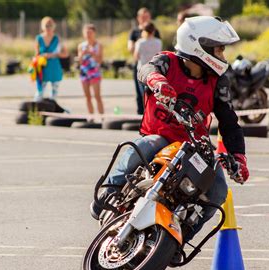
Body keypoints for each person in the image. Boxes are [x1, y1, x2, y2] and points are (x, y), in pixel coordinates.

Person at [91, 16, 249, 244]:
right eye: (219, 49)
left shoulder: (218, 81)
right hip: (160, 139)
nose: (223, 56)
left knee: (218, 189)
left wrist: (239, 158)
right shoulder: (168, 61)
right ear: (199, 46)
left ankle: (181, 238)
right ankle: (109, 190)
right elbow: (146, 70)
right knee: (145, 145)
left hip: (193, 148)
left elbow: (229, 123)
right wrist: (157, 81)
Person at [128, 7, 161, 115]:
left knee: (149, 92)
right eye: (143, 17)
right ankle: (141, 113)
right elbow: (130, 47)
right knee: (140, 93)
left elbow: (136, 54)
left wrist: (142, 45)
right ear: (138, 18)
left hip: (146, 66)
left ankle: (150, 114)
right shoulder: (134, 31)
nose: (145, 19)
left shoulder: (155, 32)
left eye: (146, 16)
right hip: (142, 66)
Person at [34, 16, 68, 101]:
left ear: (54, 26)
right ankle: (36, 110)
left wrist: (53, 55)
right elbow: (36, 54)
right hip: (43, 67)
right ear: (42, 27)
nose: (48, 28)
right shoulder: (39, 38)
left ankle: (52, 109)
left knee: (54, 93)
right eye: (46, 25)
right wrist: (42, 56)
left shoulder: (58, 39)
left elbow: (65, 54)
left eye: (50, 25)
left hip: (54, 66)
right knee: (40, 92)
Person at [78, 24, 104, 121]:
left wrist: (92, 53)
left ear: (94, 33)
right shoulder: (81, 46)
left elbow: (100, 60)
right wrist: (81, 55)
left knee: (97, 96)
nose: (88, 34)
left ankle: (102, 117)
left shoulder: (99, 45)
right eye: (86, 32)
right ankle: (91, 116)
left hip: (95, 72)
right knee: (87, 96)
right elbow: (79, 61)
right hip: (84, 72)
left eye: (90, 32)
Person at [133, 22, 162, 98]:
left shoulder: (140, 42)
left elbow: (136, 56)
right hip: (154, 70)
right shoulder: (158, 42)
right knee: (153, 95)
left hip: (142, 70)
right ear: (153, 31)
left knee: (144, 95)